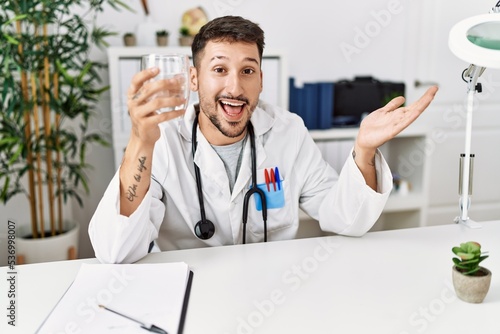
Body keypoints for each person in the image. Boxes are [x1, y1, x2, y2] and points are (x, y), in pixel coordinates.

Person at [89, 15, 438, 264]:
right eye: (220, 69)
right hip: (192, 293)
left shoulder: (289, 131)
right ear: (193, 78)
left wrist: (364, 150)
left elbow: (346, 219)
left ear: (261, 78)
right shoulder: (161, 139)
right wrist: (140, 142)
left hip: (274, 292)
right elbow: (116, 252)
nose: (235, 88)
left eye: (248, 71)